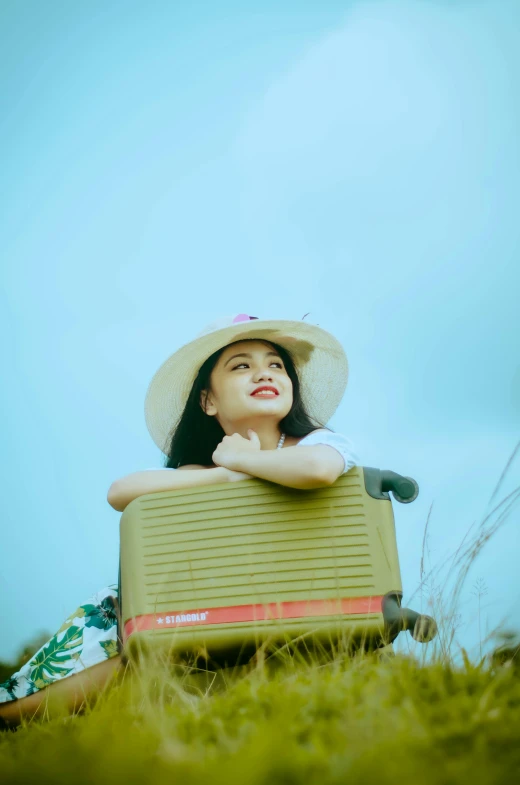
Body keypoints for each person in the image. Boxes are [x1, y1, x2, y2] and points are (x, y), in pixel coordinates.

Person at [0, 313, 359, 728]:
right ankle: (14, 714)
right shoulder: (205, 472)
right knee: (124, 626)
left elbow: (319, 469)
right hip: (205, 608)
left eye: (275, 365)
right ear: (208, 401)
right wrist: (224, 473)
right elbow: (120, 491)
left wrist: (246, 459)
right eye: (242, 365)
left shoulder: (317, 443)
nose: (264, 372)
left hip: (302, 596)